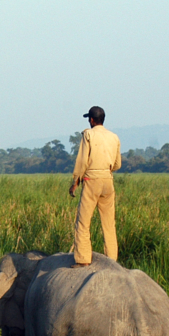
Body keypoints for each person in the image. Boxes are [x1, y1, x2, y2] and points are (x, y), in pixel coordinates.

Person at [69, 106, 121, 266]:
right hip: (108, 180)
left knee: (83, 222)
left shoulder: (88, 134)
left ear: (91, 120)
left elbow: (82, 160)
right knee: (109, 223)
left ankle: (83, 259)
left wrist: (75, 182)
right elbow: (117, 164)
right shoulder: (114, 137)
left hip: (92, 180)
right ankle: (112, 259)